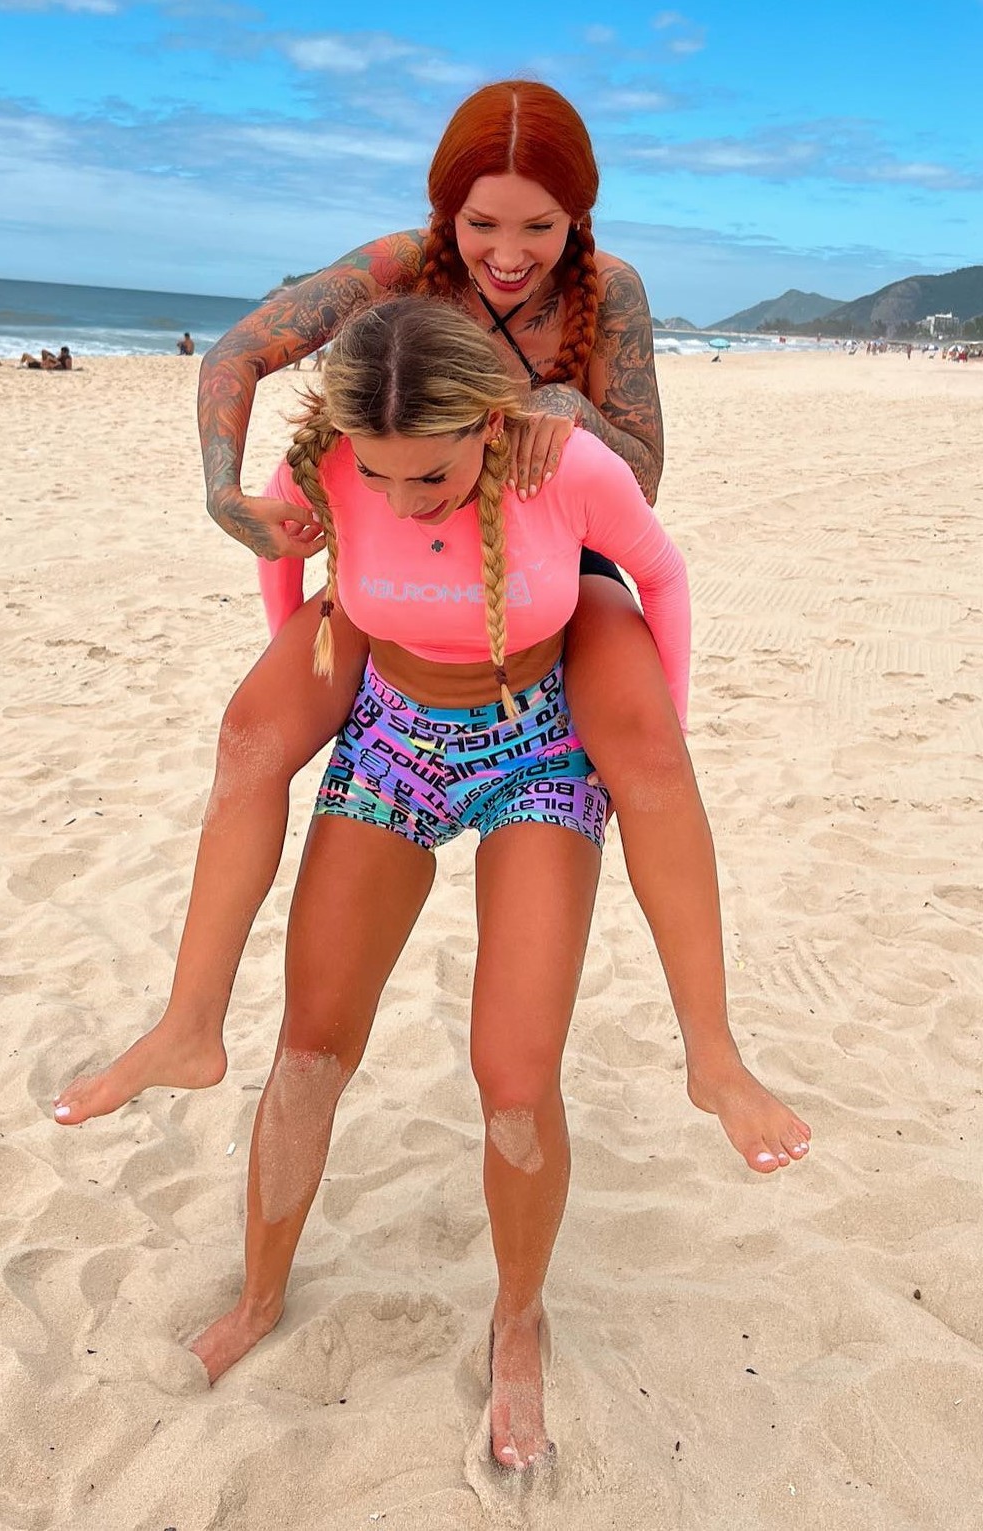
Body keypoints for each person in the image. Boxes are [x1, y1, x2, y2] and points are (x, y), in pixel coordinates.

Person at [54, 80, 809, 1185]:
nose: (508, 254)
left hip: (555, 549)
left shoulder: (611, 291)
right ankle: (187, 1022)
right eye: (481, 223)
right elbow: (234, 358)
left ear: (580, 215)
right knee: (251, 732)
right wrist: (226, 493)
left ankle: (716, 1055)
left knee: (650, 752)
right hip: (401, 540)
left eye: (539, 227)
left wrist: (554, 412)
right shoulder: (400, 268)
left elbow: (642, 476)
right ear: (444, 210)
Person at [181, 297, 809, 1471]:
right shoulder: (328, 464)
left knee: (514, 1076)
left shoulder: (561, 466)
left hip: (541, 750)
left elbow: (659, 574)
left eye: (432, 473)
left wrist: (657, 730)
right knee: (310, 1046)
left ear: (488, 422)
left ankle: (519, 1322)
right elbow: (295, 569)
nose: (405, 498)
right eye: (382, 474)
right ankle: (260, 1295)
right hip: (396, 740)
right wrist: (311, 657)